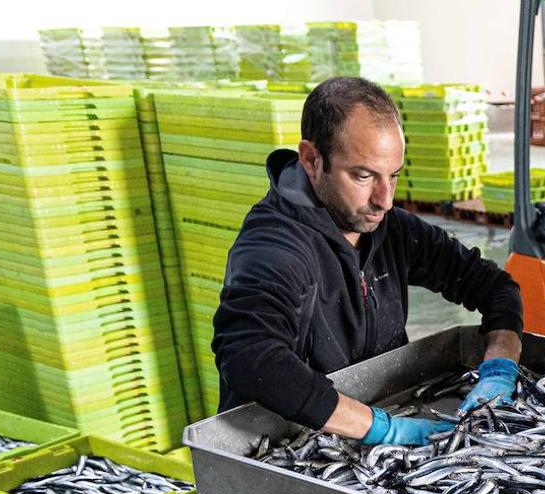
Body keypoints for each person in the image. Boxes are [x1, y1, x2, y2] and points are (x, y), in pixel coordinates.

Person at [213, 77, 524, 448]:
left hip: (372, 427)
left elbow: (494, 287)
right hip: (289, 446)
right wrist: (382, 430)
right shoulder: (274, 247)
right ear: (312, 160)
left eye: (393, 176)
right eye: (363, 176)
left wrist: (499, 367)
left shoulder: (389, 229)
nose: (385, 200)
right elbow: (251, 358)